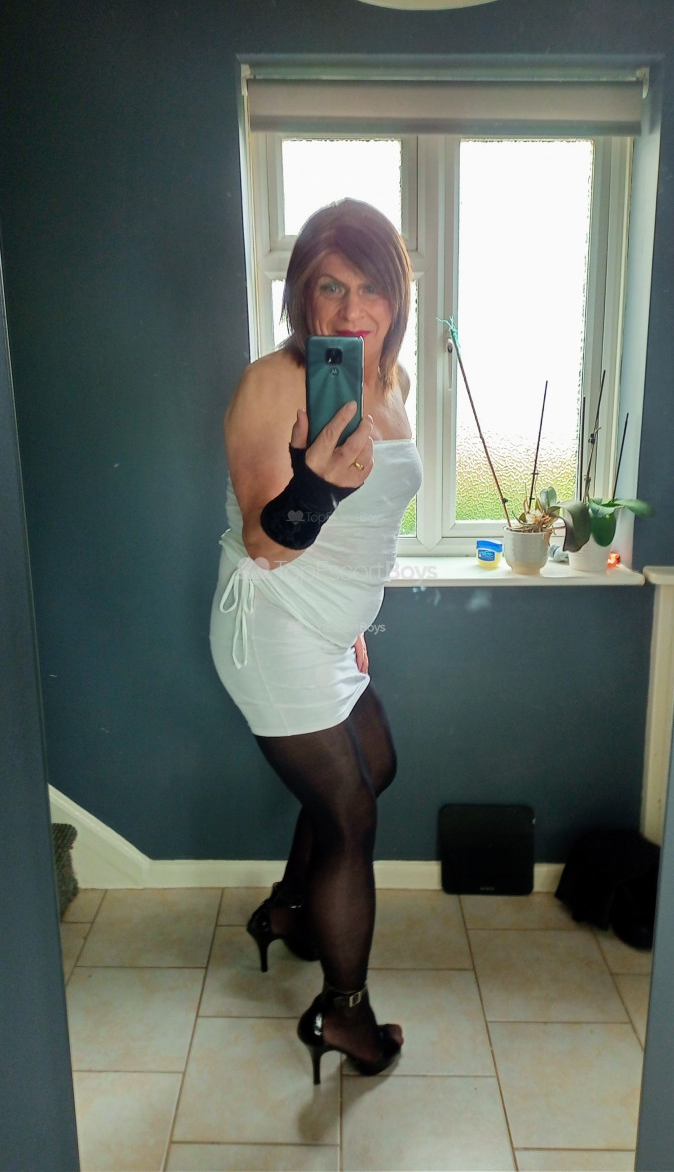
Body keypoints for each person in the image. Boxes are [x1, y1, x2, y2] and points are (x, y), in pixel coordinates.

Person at [209, 198, 422, 1083]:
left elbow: (369, 534)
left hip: (332, 629)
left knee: (377, 767)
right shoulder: (274, 383)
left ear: (397, 295)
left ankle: (292, 910)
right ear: (302, 293)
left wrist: (354, 624)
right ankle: (344, 1014)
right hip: (273, 622)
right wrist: (320, 485)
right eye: (330, 287)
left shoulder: (392, 384)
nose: (351, 309)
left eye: (371, 287)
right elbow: (265, 541)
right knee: (350, 814)